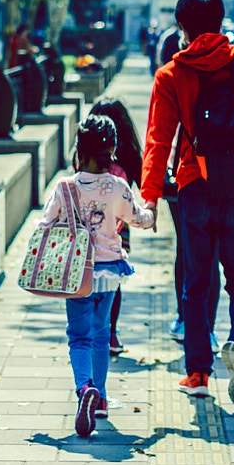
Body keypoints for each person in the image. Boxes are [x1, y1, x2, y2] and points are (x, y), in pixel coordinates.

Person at [141, 0, 234, 409]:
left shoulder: (170, 75)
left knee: (196, 285)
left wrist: (148, 198)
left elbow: (157, 140)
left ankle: (197, 374)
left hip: (193, 188)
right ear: (221, 21)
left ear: (182, 28)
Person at [39, 115, 155, 438]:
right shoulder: (117, 187)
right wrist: (152, 214)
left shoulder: (65, 187)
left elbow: (44, 225)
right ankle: (100, 396)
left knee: (79, 336)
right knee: (102, 334)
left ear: (79, 149)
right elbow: (137, 218)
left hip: (78, 274)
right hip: (110, 274)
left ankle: (83, 389)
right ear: (113, 150)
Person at [90, 98, 144, 355]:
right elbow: (145, 185)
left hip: (86, 230)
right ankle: (110, 334)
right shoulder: (130, 156)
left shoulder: (85, 154)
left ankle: (92, 329)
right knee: (113, 281)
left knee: (88, 277)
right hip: (118, 229)